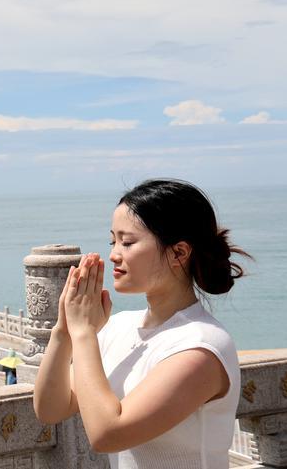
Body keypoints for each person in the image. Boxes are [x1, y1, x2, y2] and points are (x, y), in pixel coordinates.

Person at [34, 179, 249, 467]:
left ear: (179, 253)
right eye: (113, 241)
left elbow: (108, 434)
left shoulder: (202, 347)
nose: (113, 254)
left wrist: (84, 332)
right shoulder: (120, 327)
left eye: (128, 242)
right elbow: (51, 409)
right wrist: (64, 333)